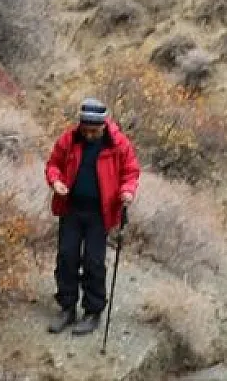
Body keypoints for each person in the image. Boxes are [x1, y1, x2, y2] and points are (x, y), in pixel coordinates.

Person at [44, 98, 140, 335]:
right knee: (66, 256)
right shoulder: (69, 139)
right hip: (71, 208)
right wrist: (55, 181)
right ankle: (67, 308)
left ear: (104, 125)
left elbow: (131, 171)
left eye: (94, 131)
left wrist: (127, 191)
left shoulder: (118, 143)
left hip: (100, 213)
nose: (89, 135)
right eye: (86, 130)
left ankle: (93, 311)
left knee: (93, 262)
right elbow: (53, 164)